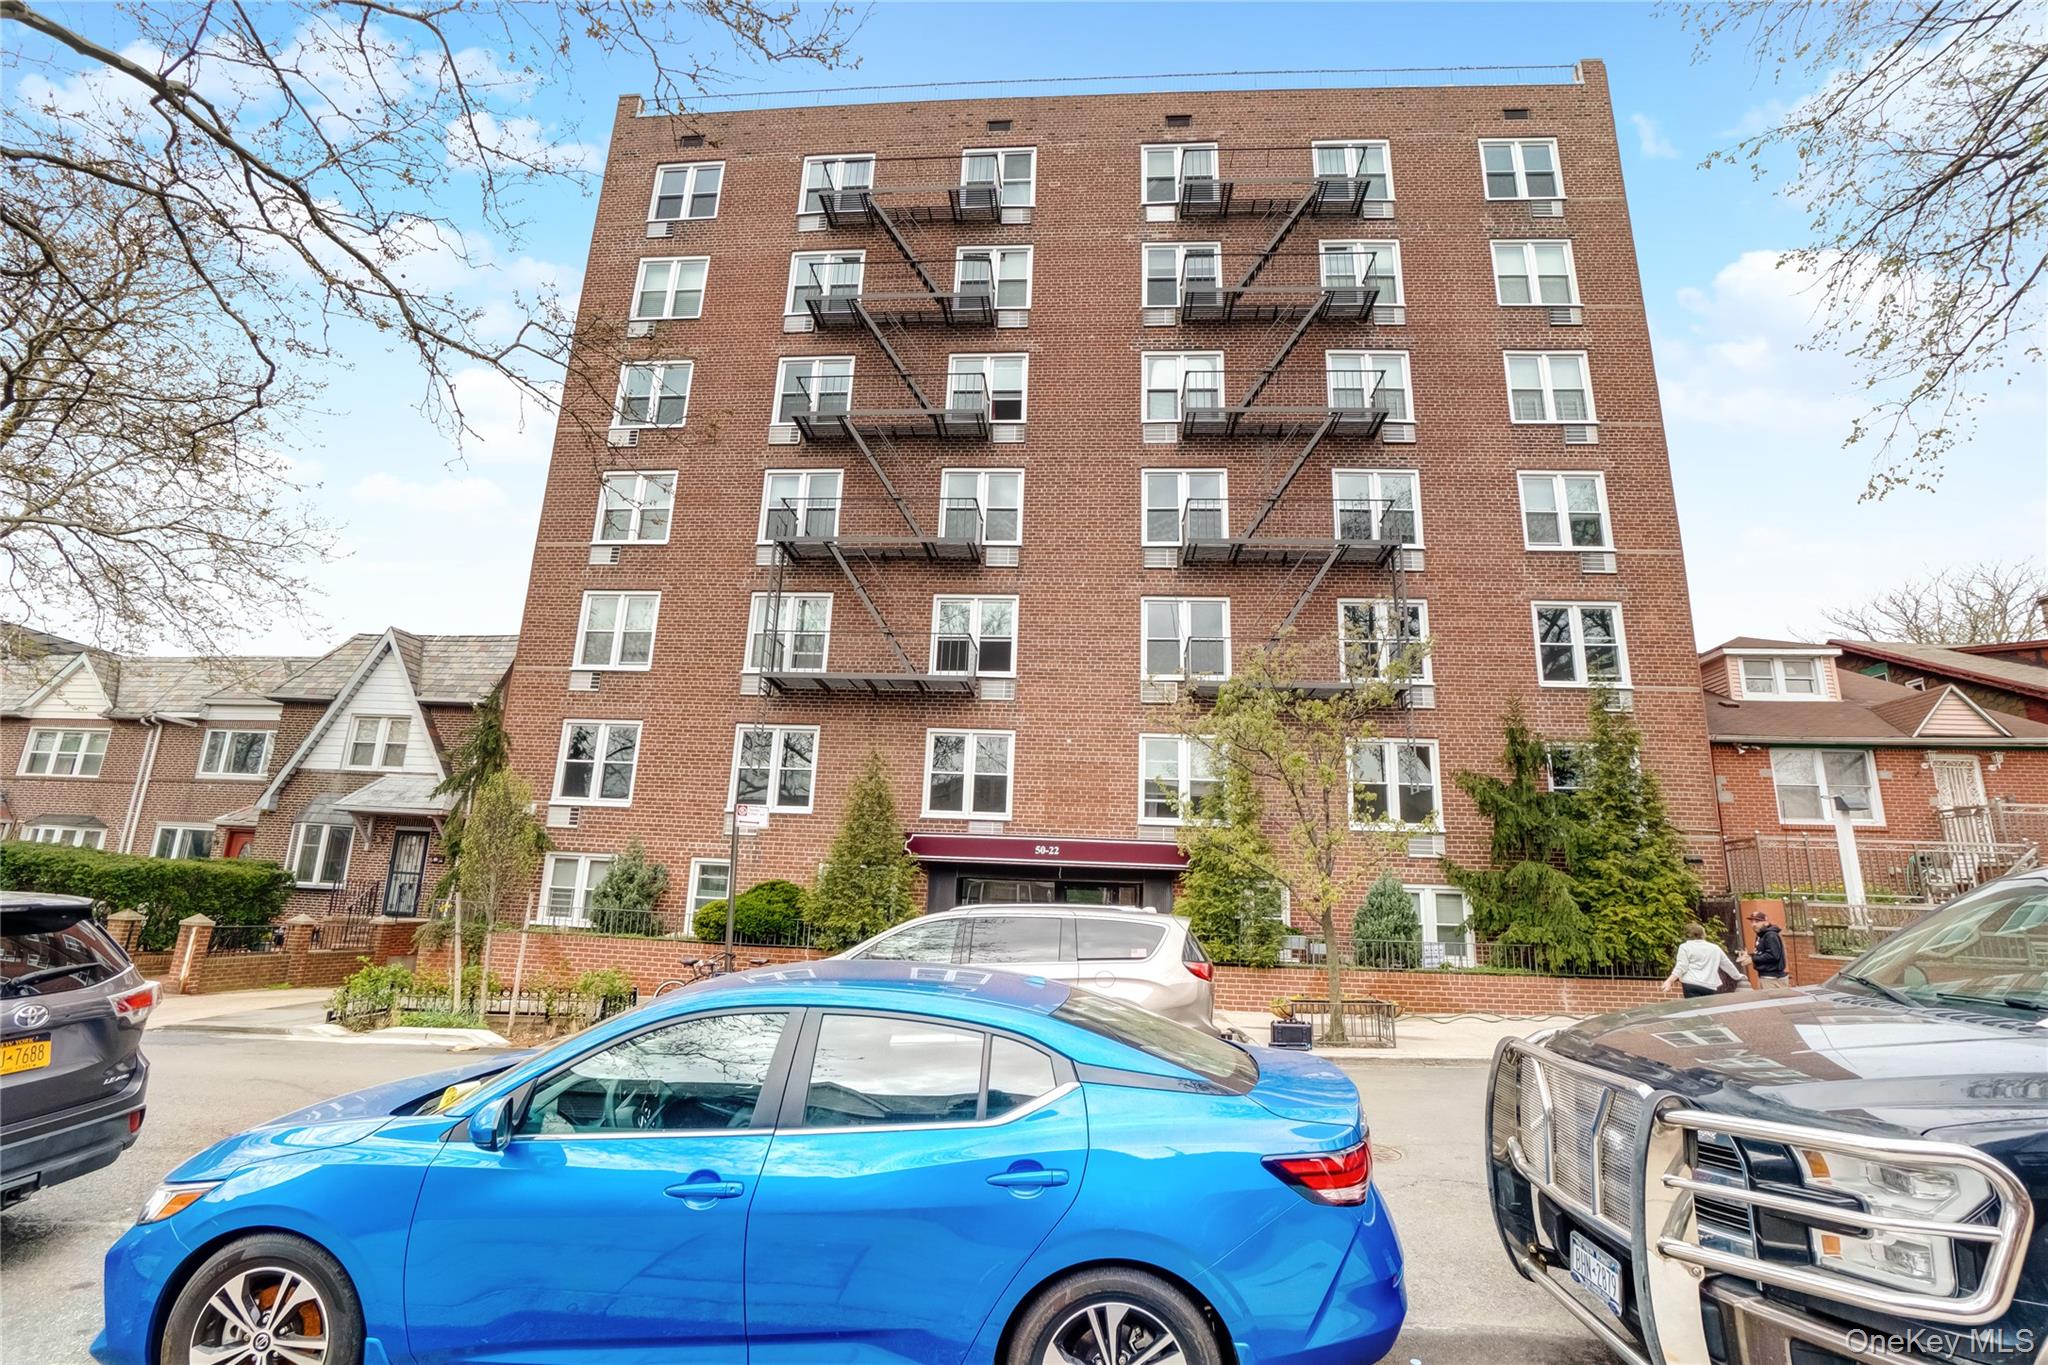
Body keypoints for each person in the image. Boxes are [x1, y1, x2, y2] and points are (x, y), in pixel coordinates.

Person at [1663, 922, 1742, 999]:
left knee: (1694, 1007)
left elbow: (1681, 966)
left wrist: (1669, 981)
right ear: (1703, 934)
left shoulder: (1685, 947)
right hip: (1709, 985)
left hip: (1691, 983)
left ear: (1687, 935)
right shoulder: (1715, 948)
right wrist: (1738, 976)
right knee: (1707, 1007)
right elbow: (1727, 964)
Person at [1748, 909, 1787, 987]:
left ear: (1765, 922)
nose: (1753, 924)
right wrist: (1750, 956)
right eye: (1752, 922)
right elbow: (1762, 953)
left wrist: (1752, 958)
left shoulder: (1770, 935)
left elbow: (1773, 955)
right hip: (1766, 977)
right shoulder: (1761, 935)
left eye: (1757, 921)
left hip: (1772, 979)